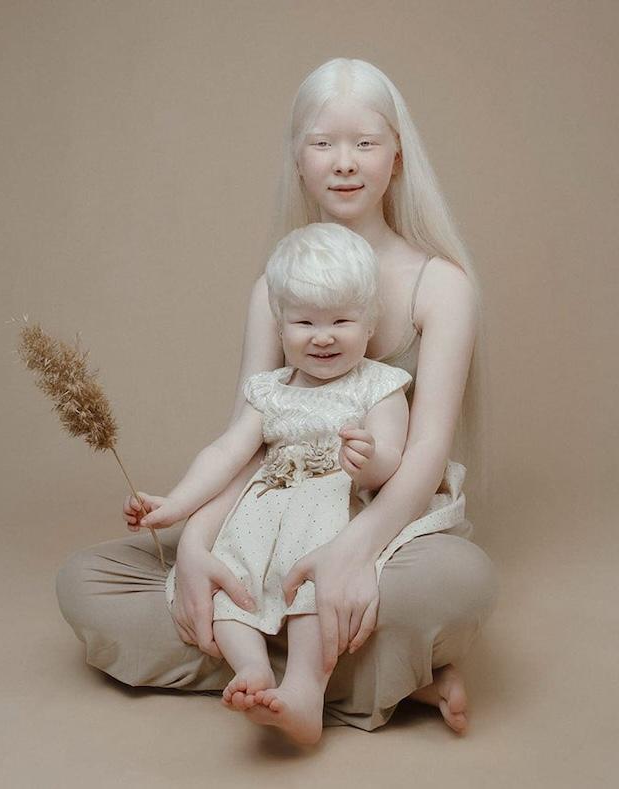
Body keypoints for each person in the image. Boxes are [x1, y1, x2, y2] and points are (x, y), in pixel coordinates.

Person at [56, 57, 499, 739]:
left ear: (398, 154)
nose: (344, 163)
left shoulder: (440, 287)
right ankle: (381, 678)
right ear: (297, 157)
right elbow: (248, 438)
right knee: (87, 583)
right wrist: (199, 543)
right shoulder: (272, 288)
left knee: (460, 580)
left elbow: (427, 452)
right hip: (271, 518)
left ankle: (286, 658)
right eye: (323, 143)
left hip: (389, 529)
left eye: (366, 143)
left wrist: (353, 550)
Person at [138, 222, 410, 744]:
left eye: (342, 320)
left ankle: (305, 692)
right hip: (263, 509)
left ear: (371, 322)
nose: (323, 335)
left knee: (314, 588)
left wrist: (368, 461)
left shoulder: (379, 385)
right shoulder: (269, 390)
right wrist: (175, 505)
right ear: (280, 326)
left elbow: (392, 459)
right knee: (230, 580)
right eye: (304, 321)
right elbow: (225, 453)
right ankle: (252, 669)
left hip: (332, 507)